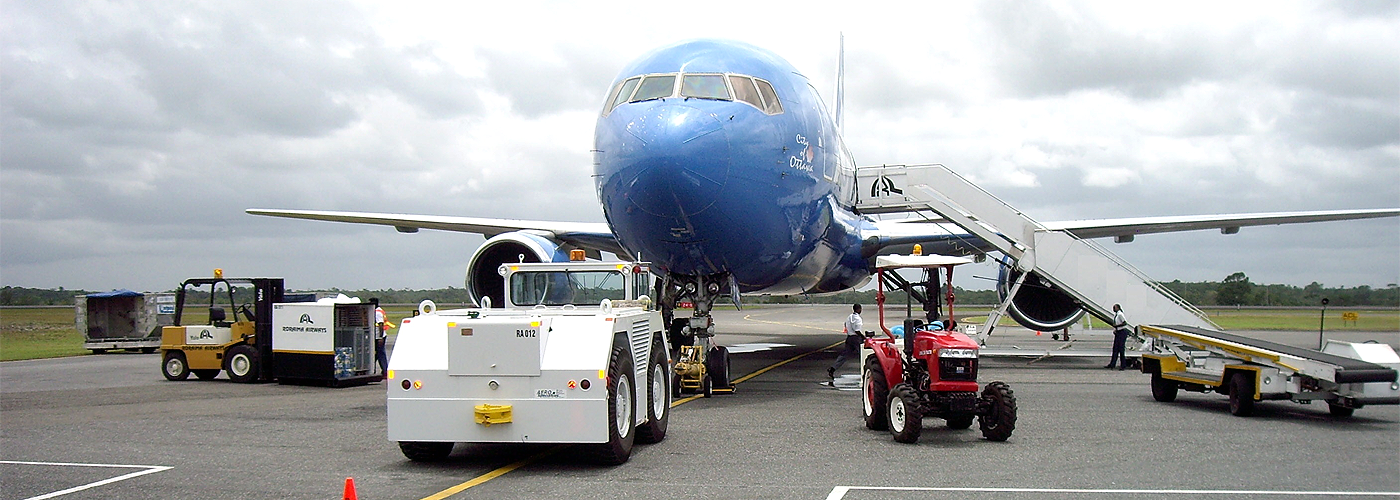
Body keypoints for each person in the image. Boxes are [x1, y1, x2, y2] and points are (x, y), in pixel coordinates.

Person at [828, 304, 865, 385]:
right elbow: (857, 330)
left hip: (849, 338)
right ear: (859, 309)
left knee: (844, 355)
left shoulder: (849, 317)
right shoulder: (858, 319)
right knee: (863, 354)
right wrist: (863, 337)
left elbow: (845, 324)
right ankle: (865, 371)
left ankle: (833, 368)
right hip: (856, 338)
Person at [1105, 303, 1130, 370]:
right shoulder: (1116, 315)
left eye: (1114, 308)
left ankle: (1123, 365)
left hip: (1122, 333)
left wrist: (1117, 326)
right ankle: (1112, 364)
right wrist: (1116, 329)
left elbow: (1125, 323)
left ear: (1118, 308)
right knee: (1115, 349)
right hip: (1118, 332)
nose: (1113, 309)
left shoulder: (1120, 314)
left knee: (1121, 350)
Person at [374, 305, 394, 375]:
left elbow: (381, 325)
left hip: (378, 336)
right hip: (377, 336)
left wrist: (380, 337)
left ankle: (385, 371)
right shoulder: (379, 310)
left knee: (380, 354)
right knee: (377, 354)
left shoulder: (377, 313)